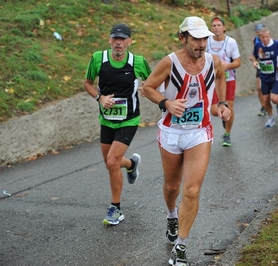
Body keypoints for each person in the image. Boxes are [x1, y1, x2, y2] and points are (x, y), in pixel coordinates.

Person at [141, 16, 231, 265]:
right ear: (182, 38)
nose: (201, 44)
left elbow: (222, 77)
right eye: (196, 39)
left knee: (191, 190)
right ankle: (172, 214)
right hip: (171, 132)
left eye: (204, 39)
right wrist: (166, 103)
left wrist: (221, 104)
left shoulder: (213, 61)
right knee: (172, 187)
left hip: (199, 132)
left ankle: (181, 246)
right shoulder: (169, 63)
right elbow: (147, 87)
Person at [83, 23, 151, 226]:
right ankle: (131, 164)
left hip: (129, 119)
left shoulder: (137, 62)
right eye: (115, 38)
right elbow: (87, 83)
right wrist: (100, 98)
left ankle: (116, 209)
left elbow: (153, 81)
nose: (118, 42)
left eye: (123, 39)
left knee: (112, 162)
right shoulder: (98, 59)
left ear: (129, 41)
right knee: (111, 163)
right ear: (110, 40)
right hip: (106, 119)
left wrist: (147, 88)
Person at [206, 16, 241, 146]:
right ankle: (223, 117)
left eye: (218, 25)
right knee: (215, 111)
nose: (216, 28)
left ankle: (227, 134)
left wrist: (227, 65)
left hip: (228, 79)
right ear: (211, 28)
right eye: (214, 26)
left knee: (229, 107)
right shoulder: (206, 41)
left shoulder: (230, 42)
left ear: (224, 28)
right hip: (212, 82)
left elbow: (238, 61)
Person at [252, 28, 278, 128]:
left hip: (276, 76)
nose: (265, 39)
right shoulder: (258, 46)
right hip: (264, 76)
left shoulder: (277, 45)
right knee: (265, 99)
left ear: (270, 36)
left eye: (267, 37)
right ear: (259, 38)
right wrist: (255, 62)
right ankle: (271, 118)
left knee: (273, 98)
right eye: (262, 37)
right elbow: (255, 57)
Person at [249, 23, 267, 116]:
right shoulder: (255, 40)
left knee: (268, 87)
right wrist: (254, 59)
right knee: (259, 87)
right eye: (256, 31)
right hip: (260, 65)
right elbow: (255, 53)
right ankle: (263, 107)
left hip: (268, 64)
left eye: (259, 31)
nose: (258, 33)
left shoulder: (267, 38)